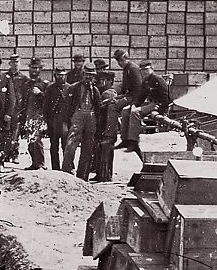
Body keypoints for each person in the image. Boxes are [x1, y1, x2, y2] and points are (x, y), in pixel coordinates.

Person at [95, 49, 143, 180]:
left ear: (126, 58)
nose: (120, 63)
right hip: (129, 95)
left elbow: (138, 89)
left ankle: (111, 132)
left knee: (113, 107)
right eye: (118, 61)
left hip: (135, 97)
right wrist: (116, 96)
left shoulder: (132, 69)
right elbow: (124, 88)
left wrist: (124, 100)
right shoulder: (126, 69)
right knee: (109, 102)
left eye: (121, 60)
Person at [118, 61, 172, 161]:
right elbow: (141, 96)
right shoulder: (146, 81)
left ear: (152, 69)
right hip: (151, 104)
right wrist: (133, 105)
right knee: (126, 110)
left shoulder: (158, 80)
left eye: (146, 70)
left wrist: (161, 111)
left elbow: (167, 98)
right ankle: (125, 139)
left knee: (135, 113)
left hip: (158, 104)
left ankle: (133, 141)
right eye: (142, 71)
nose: (144, 72)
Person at [62, 62, 100, 179]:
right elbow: (67, 106)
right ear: (82, 74)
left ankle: (83, 176)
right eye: (87, 75)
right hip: (77, 117)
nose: (89, 78)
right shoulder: (74, 88)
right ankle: (67, 172)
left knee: (88, 148)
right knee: (71, 145)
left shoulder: (95, 90)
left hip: (90, 119)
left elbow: (98, 107)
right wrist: (66, 121)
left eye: (91, 76)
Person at [22, 57, 48, 170]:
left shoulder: (44, 84)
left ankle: (41, 163)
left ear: (40, 69)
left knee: (37, 140)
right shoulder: (26, 84)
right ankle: (34, 162)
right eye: (32, 68)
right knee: (30, 140)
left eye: (36, 68)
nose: (33, 70)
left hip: (39, 116)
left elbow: (47, 101)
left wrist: (40, 93)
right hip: (28, 115)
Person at [5, 54, 30, 161]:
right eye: (13, 62)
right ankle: (5, 154)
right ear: (9, 64)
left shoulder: (24, 78)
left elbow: (26, 95)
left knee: (16, 133)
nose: (15, 65)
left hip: (18, 109)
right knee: (6, 132)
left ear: (20, 64)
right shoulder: (5, 76)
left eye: (17, 62)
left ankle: (14, 155)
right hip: (7, 108)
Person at [44, 67, 70, 171]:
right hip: (54, 121)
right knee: (54, 146)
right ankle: (55, 168)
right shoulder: (50, 89)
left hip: (65, 121)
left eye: (62, 75)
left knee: (66, 145)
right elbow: (46, 106)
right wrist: (47, 121)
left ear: (65, 76)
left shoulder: (70, 88)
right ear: (55, 76)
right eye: (58, 75)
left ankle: (67, 167)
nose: (60, 77)